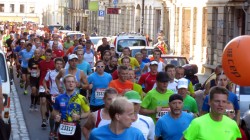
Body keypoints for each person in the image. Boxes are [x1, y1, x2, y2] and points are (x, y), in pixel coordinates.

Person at [53, 74, 90, 140]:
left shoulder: (82, 98)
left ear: (75, 84)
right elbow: (55, 111)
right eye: (68, 82)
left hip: (76, 126)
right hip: (63, 126)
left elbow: (88, 112)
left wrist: (79, 116)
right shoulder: (58, 98)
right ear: (64, 83)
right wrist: (56, 116)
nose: (71, 84)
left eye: (73, 82)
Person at [43, 57, 64, 138]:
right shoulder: (50, 73)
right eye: (57, 64)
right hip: (53, 96)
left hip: (62, 96)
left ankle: (55, 131)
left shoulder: (65, 73)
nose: (59, 65)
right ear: (55, 64)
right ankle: (52, 130)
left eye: (60, 64)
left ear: (63, 65)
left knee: (59, 115)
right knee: (53, 115)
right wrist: (46, 88)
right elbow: (44, 81)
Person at [38, 49, 55, 127]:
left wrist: (51, 71)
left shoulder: (54, 63)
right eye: (46, 55)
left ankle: (47, 113)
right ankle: (43, 120)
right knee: (43, 101)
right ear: (44, 55)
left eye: (49, 55)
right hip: (42, 83)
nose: (48, 57)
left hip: (52, 85)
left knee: (50, 102)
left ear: (51, 56)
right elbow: (38, 72)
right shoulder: (41, 63)